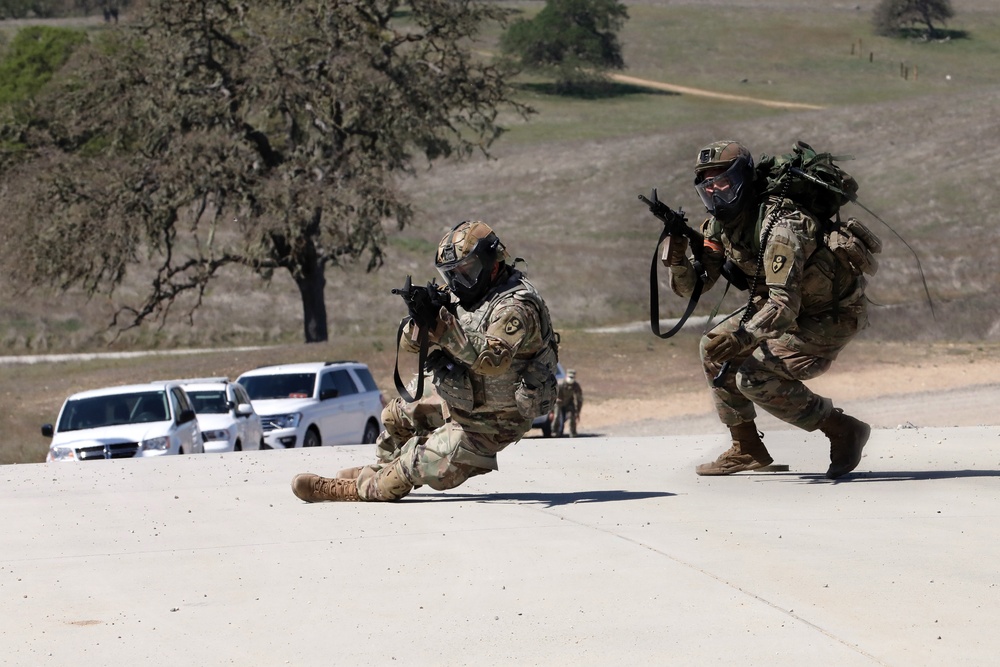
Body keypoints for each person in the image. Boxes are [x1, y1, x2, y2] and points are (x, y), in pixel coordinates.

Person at [291, 220, 559, 502]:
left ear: (491, 263)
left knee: (416, 463)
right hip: (465, 395)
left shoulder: (516, 306)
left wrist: (444, 330)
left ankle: (358, 489)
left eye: (465, 272)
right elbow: (410, 344)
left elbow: (492, 360)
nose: (457, 282)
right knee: (395, 416)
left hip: (494, 421)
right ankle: (382, 470)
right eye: (450, 274)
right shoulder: (463, 294)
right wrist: (422, 319)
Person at [664, 140, 872, 479]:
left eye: (725, 184)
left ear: (743, 180)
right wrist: (676, 257)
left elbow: (783, 307)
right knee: (713, 348)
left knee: (754, 376)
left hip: (829, 316)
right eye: (710, 186)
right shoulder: (721, 226)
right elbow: (694, 287)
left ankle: (841, 428)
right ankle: (746, 447)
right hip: (787, 309)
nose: (717, 193)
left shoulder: (782, 227)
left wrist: (743, 337)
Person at [554, 369, 584, 437]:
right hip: (558, 402)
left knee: (572, 416)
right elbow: (553, 395)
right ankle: (555, 431)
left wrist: (577, 411)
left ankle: (572, 433)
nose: (571, 379)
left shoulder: (575, 385)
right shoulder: (560, 384)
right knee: (556, 416)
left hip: (569, 402)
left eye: (572, 377)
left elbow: (579, 399)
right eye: (570, 377)